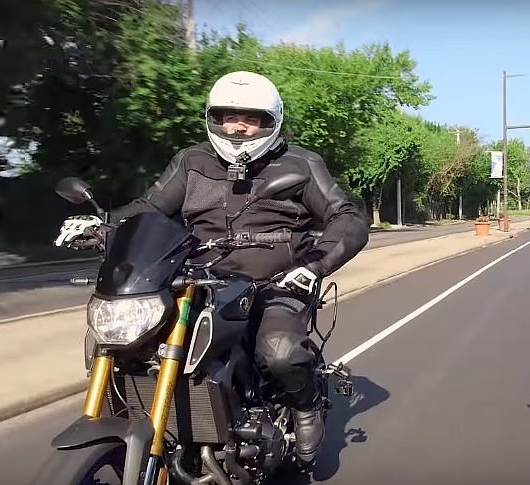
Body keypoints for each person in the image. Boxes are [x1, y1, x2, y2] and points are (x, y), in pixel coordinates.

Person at [55, 70, 370, 467]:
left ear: (271, 121)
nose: (237, 126)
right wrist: (103, 227)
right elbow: (150, 209)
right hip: (195, 280)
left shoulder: (301, 164)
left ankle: (304, 406)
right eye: (227, 116)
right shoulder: (192, 161)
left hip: (276, 283)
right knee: (135, 340)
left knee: (280, 352)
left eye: (250, 118)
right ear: (214, 119)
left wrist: (315, 265)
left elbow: (347, 218)